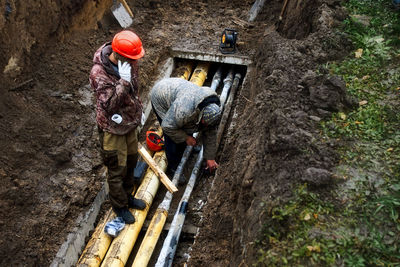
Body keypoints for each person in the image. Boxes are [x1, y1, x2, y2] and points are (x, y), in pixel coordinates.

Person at [89, 30, 146, 224]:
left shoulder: (129, 63)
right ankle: (120, 206)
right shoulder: (99, 73)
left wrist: (138, 111)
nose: (135, 62)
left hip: (129, 123)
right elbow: (110, 105)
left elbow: (135, 90)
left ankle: (128, 196)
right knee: (117, 168)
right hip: (112, 128)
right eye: (132, 59)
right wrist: (123, 82)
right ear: (119, 55)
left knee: (131, 162)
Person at [150, 77, 222, 180]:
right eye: (203, 122)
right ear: (200, 114)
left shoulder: (213, 109)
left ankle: (186, 147)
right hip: (161, 96)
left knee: (189, 124)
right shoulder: (184, 111)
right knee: (172, 137)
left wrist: (210, 157)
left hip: (178, 91)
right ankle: (173, 167)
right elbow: (167, 126)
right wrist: (186, 138)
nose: (204, 124)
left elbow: (210, 132)